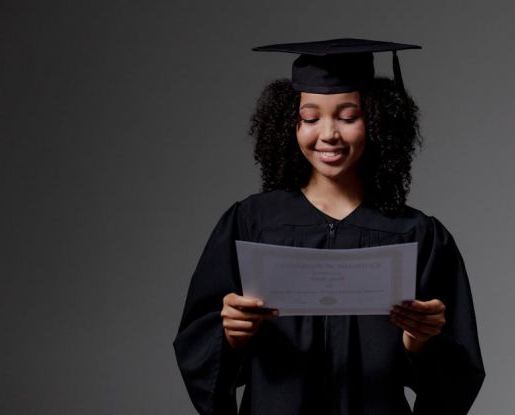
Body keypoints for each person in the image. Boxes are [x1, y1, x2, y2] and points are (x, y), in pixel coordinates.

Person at [173, 38, 485, 415]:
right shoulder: (251, 222)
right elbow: (199, 346)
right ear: (289, 123)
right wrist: (230, 335)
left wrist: (420, 341)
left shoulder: (417, 235)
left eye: (348, 117)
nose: (328, 134)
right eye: (310, 118)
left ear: (377, 120)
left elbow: (456, 377)